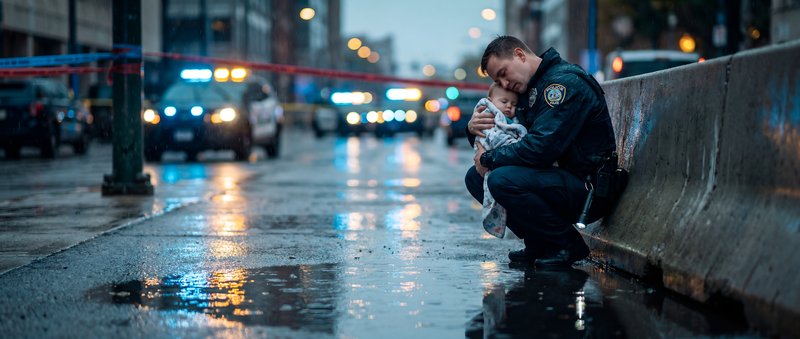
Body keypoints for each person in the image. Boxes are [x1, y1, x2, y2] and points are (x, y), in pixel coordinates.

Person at [464, 36, 617, 267]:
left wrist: (488, 158)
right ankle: (539, 243)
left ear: (520, 54)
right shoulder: (532, 88)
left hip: (587, 188)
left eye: (504, 73)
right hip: (556, 179)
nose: (504, 84)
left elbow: (540, 149)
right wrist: (473, 129)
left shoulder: (563, 83)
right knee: (476, 178)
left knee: (500, 179)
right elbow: (507, 136)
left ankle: (566, 244)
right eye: (498, 80)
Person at [473, 83, 527, 239]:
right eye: (504, 102)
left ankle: (534, 237)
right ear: (490, 101)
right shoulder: (490, 117)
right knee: (475, 177)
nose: (509, 106)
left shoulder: (513, 120)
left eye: (514, 104)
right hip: (496, 162)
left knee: (500, 180)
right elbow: (491, 137)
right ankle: (531, 237)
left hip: (507, 163)